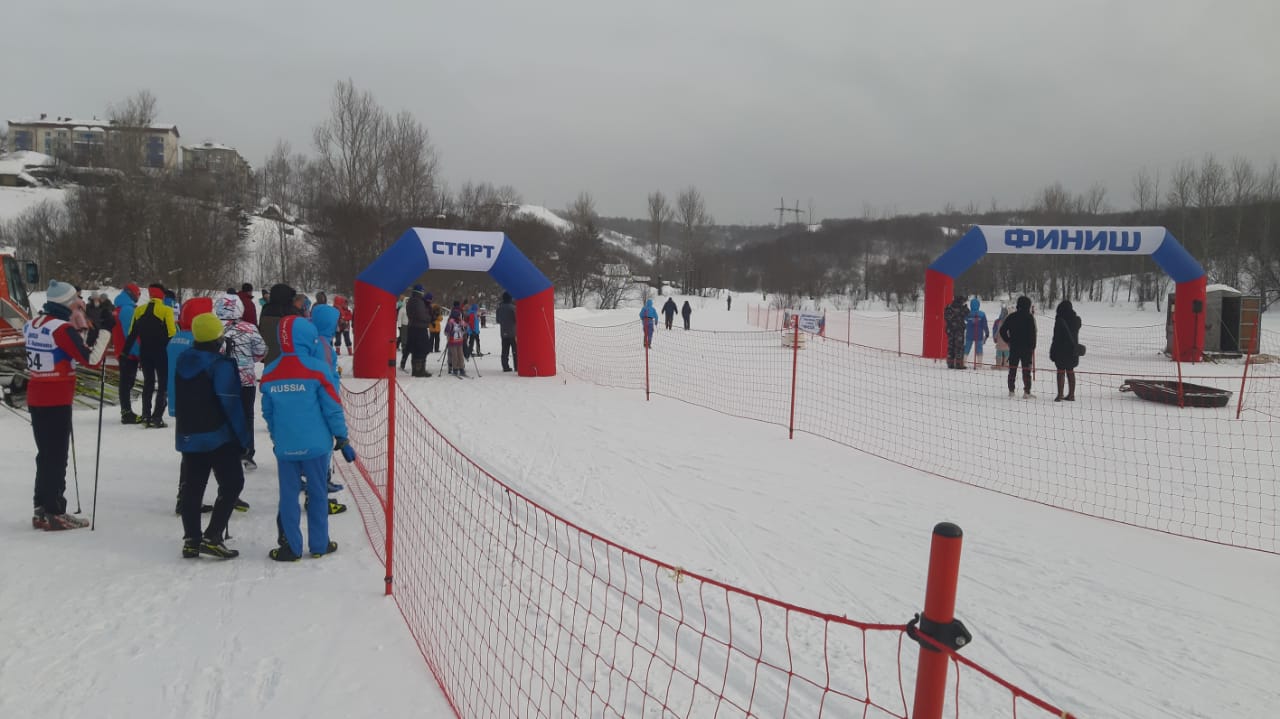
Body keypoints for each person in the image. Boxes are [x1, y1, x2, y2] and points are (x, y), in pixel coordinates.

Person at [261, 316, 350, 561]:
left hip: (286, 446)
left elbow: (268, 413)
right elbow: (332, 407)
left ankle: (291, 547)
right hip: (317, 445)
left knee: (288, 496)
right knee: (318, 494)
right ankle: (320, 544)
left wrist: (277, 436)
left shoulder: (270, 372)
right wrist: (342, 437)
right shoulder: (317, 369)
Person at [25, 280, 110, 530]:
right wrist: (105, 331)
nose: (79, 305)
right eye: (75, 301)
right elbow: (91, 359)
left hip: (37, 395)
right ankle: (55, 512)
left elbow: (64, 347)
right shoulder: (61, 329)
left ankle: (41, 508)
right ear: (65, 303)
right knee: (56, 456)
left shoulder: (33, 323)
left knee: (45, 454)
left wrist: (84, 329)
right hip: (56, 398)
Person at [173, 313, 250, 559]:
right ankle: (213, 536)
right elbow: (231, 405)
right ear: (218, 339)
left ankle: (191, 539)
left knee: (192, 487)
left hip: (189, 434)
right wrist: (244, 439)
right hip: (219, 436)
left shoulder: (183, 359)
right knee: (232, 483)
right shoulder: (220, 365)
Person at [216, 292, 267, 469]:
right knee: (246, 415)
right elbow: (261, 351)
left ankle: (222, 451)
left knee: (221, 415)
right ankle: (246, 451)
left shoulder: (213, 327)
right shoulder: (249, 328)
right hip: (245, 379)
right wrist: (248, 360)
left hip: (220, 380)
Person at [125, 283, 177, 428]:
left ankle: (146, 416)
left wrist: (124, 353)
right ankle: (157, 417)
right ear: (162, 295)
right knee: (162, 383)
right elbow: (172, 333)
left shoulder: (139, 310)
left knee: (148, 383)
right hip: (160, 351)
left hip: (144, 351)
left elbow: (132, 334)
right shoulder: (166, 310)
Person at [112, 283, 143, 424]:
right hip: (128, 352)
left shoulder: (119, 308)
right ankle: (126, 412)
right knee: (126, 382)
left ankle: (126, 411)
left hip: (122, 350)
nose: (138, 297)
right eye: (138, 294)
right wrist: (139, 352)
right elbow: (131, 334)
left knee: (126, 382)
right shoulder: (127, 310)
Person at [998, 295, 1037, 398]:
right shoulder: (1029, 317)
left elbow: (1002, 330)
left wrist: (1008, 341)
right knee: (1026, 370)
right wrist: (1033, 346)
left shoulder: (1012, 316)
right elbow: (1033, 333)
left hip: (1014, 347)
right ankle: (1027, 392)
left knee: (1012, 369)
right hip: (1026, 348)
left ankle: (1011, 391)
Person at [1050, 300, 1082, 402]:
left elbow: (1056, 337)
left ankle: (1060, 394)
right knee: (1070, 371)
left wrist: (1053, 351)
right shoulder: (1076, 320)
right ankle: (1071, 395)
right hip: (1072, 350)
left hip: (1061, 350)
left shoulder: (1060, 320)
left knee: (1060, 372)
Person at [260, 283, 299, 366]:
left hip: (270, 357)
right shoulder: (292, 311)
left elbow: (261, 332)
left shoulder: (266, 309)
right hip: (291, 358)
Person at [405, 285, 432, 377]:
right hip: (420, 328)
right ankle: (419, 371)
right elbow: (421, 315)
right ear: (420, 292)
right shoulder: (418, 301)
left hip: (412, 327)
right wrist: (429, 318)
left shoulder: (410, 301)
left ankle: (416, 370)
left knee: (416, 350)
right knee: (422, 349)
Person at [943, 295, 969, 369]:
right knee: (959, 347)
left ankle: (950, 363)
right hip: (959, 330)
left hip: (950, 329)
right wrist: (965, 307)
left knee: (951, 346)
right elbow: (967, 313)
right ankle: (958, 364)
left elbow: (946, 316)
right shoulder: (962, 308)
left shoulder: (949, 307)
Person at [964, 298, 990, 369]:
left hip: (969, 334)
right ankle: (979, 363)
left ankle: (964, 361)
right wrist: (987, 332)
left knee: (967, 348)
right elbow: (985, 324)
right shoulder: (982, 314)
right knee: (979, 348)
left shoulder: (968, 314)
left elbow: (964, 320)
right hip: (979, 334)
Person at [497, 291, 517, 372]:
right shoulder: (513, 308)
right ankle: (517, 366)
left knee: (504, 350)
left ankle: (505, 366)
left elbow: (498, 320)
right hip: (513, 332)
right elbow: (516, 319)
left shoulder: (499, 308)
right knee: (515, 350)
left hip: (503, 332)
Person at [445, 308, 468, 376]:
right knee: (455, 356)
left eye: (460, 315)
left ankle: (461, 368)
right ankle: (455, 368)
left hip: (460, 342)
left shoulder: (461, 321)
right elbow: (446, 332)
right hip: (453, 342)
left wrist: (464, 327)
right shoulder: (451, 322)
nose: (460, 317)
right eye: (459, 315)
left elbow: (465, 329)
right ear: (455, 316)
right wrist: (450, 332)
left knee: (460, 355)